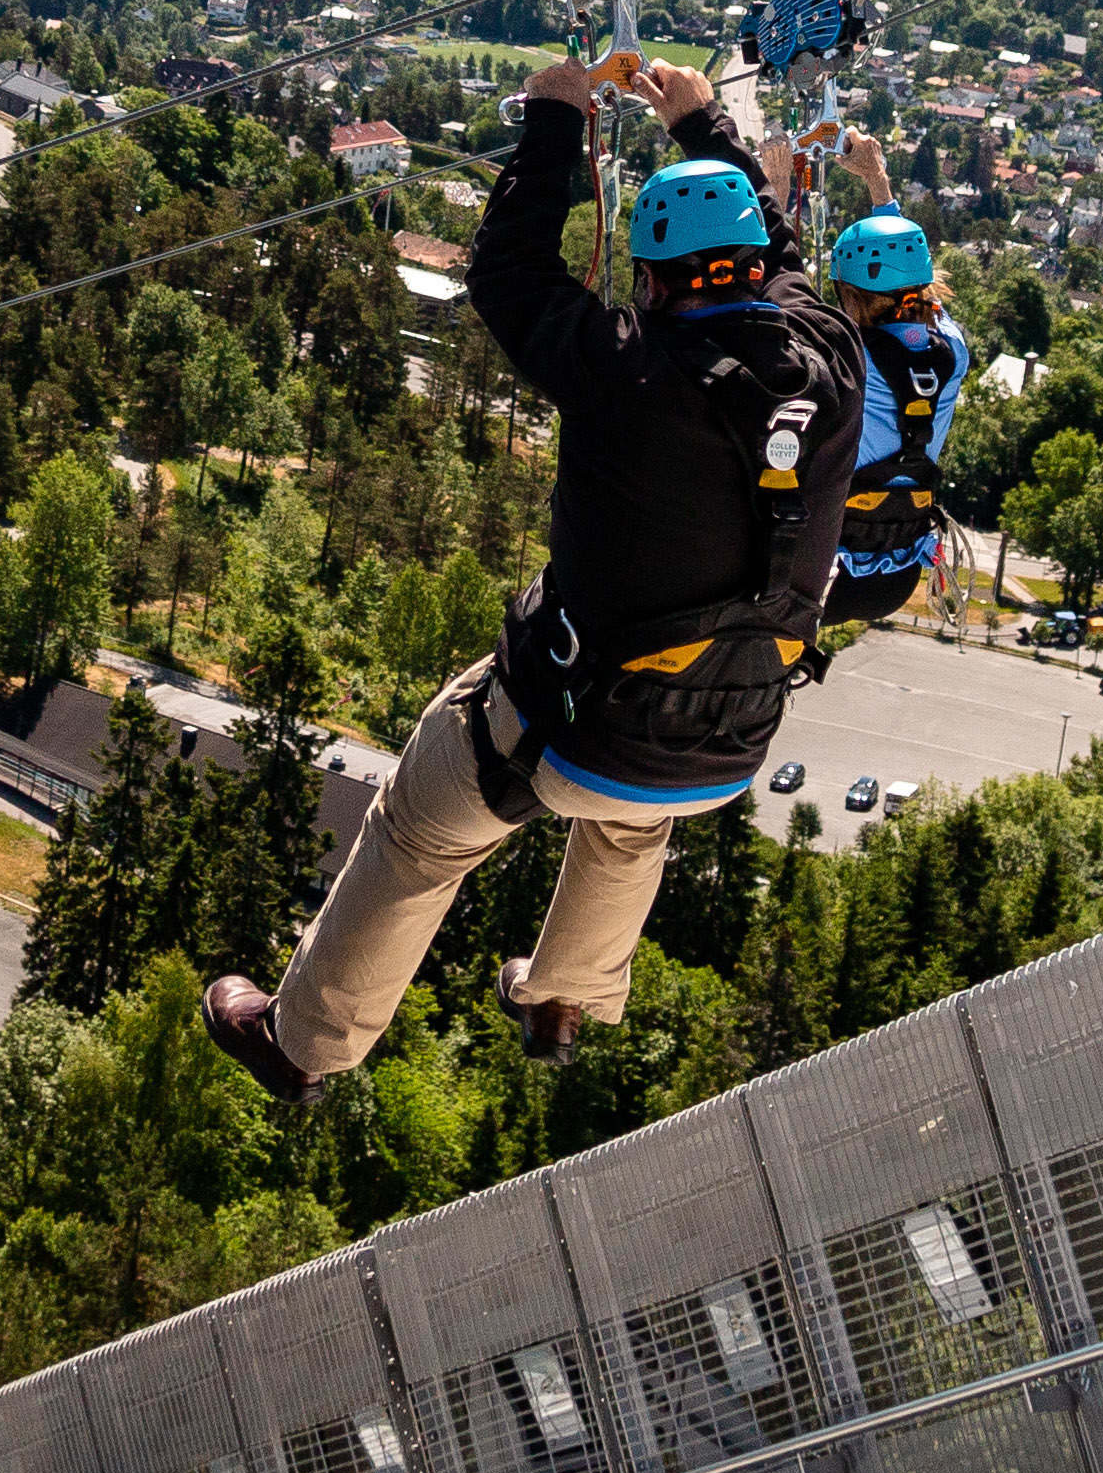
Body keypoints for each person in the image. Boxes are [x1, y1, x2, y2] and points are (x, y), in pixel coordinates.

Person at [209, 53, 860, 1090]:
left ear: (648, 279)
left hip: (573, 721)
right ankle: (566, 995)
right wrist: (704, 127)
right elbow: (777, 254)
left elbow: (508, 270)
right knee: (630, 820)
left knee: (421, 830)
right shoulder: (831, 357)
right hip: (727, 736)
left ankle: (302, 1045)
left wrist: (557, 114)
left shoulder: (624, 371)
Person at [811, 181, 968, 640]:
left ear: (851, 297)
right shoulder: (953, 352)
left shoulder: (843, 356)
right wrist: (881, 189)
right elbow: (923, 288)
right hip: (896, 580)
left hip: (822, 574)